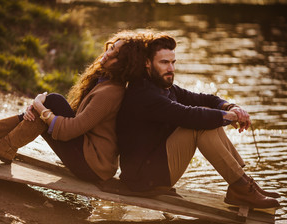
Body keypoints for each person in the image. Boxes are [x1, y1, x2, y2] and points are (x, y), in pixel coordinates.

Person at [0, 31, 149, 183]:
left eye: (116, 54)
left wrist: (41, 108)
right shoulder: (103, 82)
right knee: (49, 105)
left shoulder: (112, 92)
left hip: (94, 167)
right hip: (88, 157)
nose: (108, 52)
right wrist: (36, 111)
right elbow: (71, 122)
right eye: (112, 47)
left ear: (125, 64)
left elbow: (72, 130)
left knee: (52, 101)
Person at [116, 33, 280, 208]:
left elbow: (203, 99)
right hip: (142, 179)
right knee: (199, 126)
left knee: (208, 116)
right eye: (164, 62)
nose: (170, 68)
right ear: (147, 63)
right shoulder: (144, 94)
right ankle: (241, 187)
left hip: (154, 166)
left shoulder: (162, 86)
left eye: (173, 62)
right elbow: (188, 115)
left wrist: (229, 107)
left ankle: (243, 183)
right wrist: (227, 118)